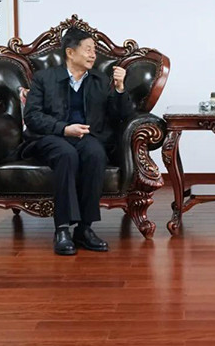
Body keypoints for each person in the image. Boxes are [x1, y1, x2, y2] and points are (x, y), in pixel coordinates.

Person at [21, 27, 133, 255]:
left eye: (94, 50)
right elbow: (32, 116)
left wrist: (120, 89)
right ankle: (62, 229)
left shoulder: (100, 80)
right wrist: (64, 128)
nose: (93, 55)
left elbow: (119, 116)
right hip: (50, 136)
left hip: (86, 136)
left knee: (96, 154)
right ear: (70, 52)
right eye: (88, 49)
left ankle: (84, 229)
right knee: (66, 154)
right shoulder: (44, 78)